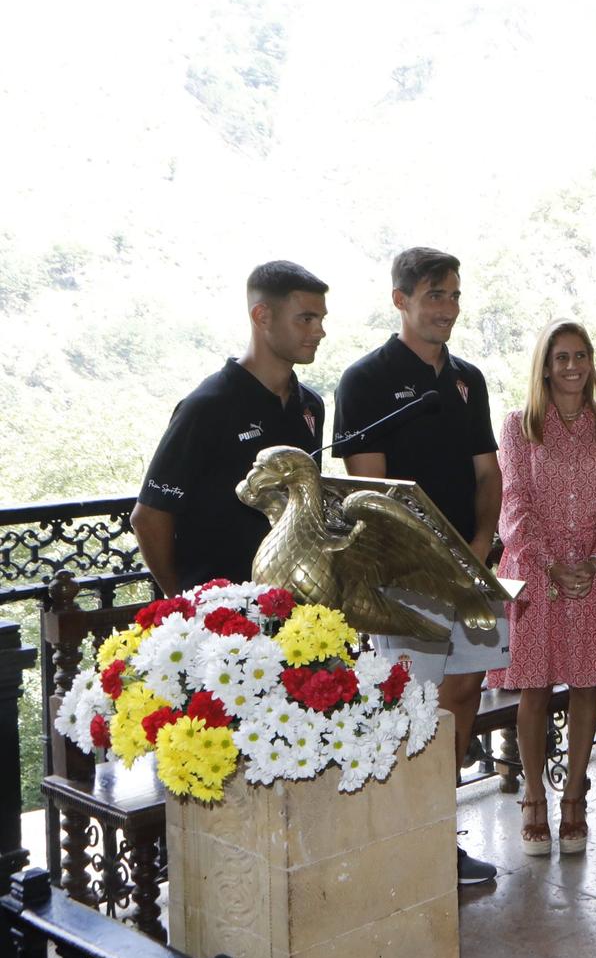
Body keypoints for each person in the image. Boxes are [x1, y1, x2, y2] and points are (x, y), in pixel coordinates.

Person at [335, 246, 505, 885]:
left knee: (462, 691)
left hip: (469, 568)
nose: (449, 309)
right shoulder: (365, 380)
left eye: (455, 295)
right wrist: (426, 556)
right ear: (400, 299)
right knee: (408, 699)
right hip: (404, 575)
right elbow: (370, 493)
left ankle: (439, 834)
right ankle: (398, 841)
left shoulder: (469, 378)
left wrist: (482, 543)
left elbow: (487, 471)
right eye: (435, 295)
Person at [487, 319, 596, 854]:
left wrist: (593, 560)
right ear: (545, 366)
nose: (573, 367)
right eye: (561, 358)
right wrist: (550, 564)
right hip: (533, 576)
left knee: (588, 684)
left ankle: (574, 797)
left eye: (581, 356)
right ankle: (533, 797)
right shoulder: (518, 425)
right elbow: (513, 504)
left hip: (595, 575)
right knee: (534, 687)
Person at [132, 261, 329, 593]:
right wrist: (182, 601)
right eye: (306, 319)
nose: (319, 331)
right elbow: (149, 516)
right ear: (261, 316)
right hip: (222, 618)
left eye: (321, 319)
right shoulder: (207, 406)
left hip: (295, 609)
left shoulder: (311, 405)